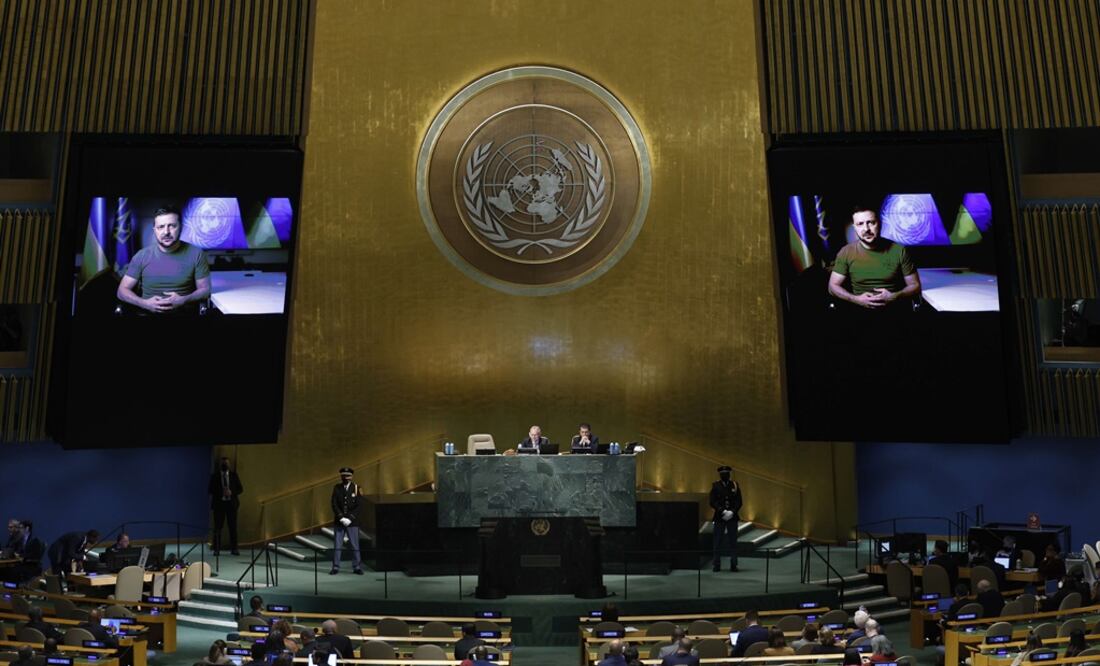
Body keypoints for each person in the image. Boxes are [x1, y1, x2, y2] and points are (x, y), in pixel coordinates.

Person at [117, 206, 211, 314]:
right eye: (161, 227)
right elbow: (121, 291)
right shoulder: (141, 256)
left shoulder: (196, 254)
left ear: (180, 227)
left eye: (172, 226)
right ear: (155, 230)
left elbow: (205, 290)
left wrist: (184, 300)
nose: (166, 232)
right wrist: (145, 303)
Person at [828, 205, 921, 311]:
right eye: (860, 224)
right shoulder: (846, 252)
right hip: (858, 311)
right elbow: (832, 287)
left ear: (880, 224)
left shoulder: (899, 250)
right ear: (855, 227)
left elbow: (915, 285)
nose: (866, 229)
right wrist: (856, 299)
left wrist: (895, 296)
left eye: (871, 222)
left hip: (893, 311)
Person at [330, 467, 363, 575]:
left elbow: (359, 505)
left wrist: (350, 518)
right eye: (344, 476)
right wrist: (341, 517)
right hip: (339, 521)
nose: (346, 478)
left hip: (352, 522)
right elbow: (334, 503)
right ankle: (335, 567)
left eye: (348, 476)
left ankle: (357, 567)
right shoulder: (337, 488)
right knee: (337, 545)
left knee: (354, 545)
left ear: (352, 477)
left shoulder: (357, 488)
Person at [709, 465, 742, 572]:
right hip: (720, 517)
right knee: (717, 541)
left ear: (729, 474)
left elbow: (739, 501)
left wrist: (732, 512)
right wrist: (722, 511)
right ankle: (716, 564)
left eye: (726, 473)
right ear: (720, 474)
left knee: (733, 541)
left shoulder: (735, 485)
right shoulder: (715, 485)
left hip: (732, 517)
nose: (724, 475)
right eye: (722, 473)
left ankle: (734, 564)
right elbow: (712, 501)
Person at [209, 456, 244, 555]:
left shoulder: (234, 475)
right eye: (223, 463)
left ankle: (234, 549)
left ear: (229, 465)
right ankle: (216, 549)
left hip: (231, 505)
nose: (225, 465)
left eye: (226, 463)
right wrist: (222, 492)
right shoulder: (214, 476)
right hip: (219, 505)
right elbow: (210, 490)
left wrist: (231, 492)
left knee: (233, 527)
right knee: (218, 528)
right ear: (220, 465)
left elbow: (241, 489)